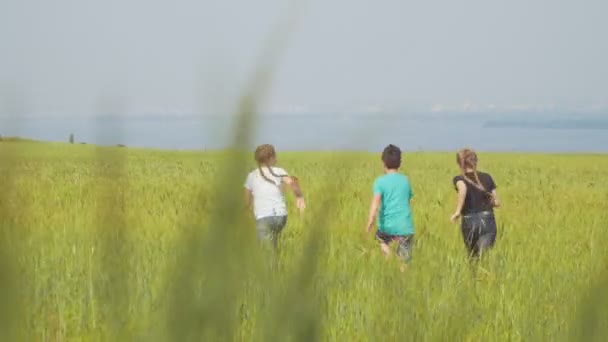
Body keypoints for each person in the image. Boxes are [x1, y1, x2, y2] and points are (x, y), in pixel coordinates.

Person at [244, 144, 305, 250]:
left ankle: (268, 264)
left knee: (263, 249)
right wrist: (299, 197)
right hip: (281, 217)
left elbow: (246, 201)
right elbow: (292, 183)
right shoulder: (280, 171)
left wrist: (246, 211)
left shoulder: (252, 175)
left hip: (264, 217)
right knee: (272, 242)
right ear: (271, 158)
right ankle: (276, 261)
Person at [365, 144, 415, 269]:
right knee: (404, 263)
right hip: (405, 227)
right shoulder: (405, 180)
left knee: (381, 240)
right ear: (400, 163)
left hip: (386, 227)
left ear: (384, 162)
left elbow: (375, 203)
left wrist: (370, 220)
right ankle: (402, 277)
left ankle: (389, 259)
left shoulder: (380, 181)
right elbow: (407, 201)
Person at [450, 148, 501, 259]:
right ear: (475, 161)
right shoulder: (487, 177)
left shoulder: (459, 179)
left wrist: (458, 211)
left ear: (459, 163)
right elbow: (497, 202)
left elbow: (462, 189)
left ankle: (473, 275)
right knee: (484, 256)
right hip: (487, 219)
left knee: (473, 257)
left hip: (469, 220)